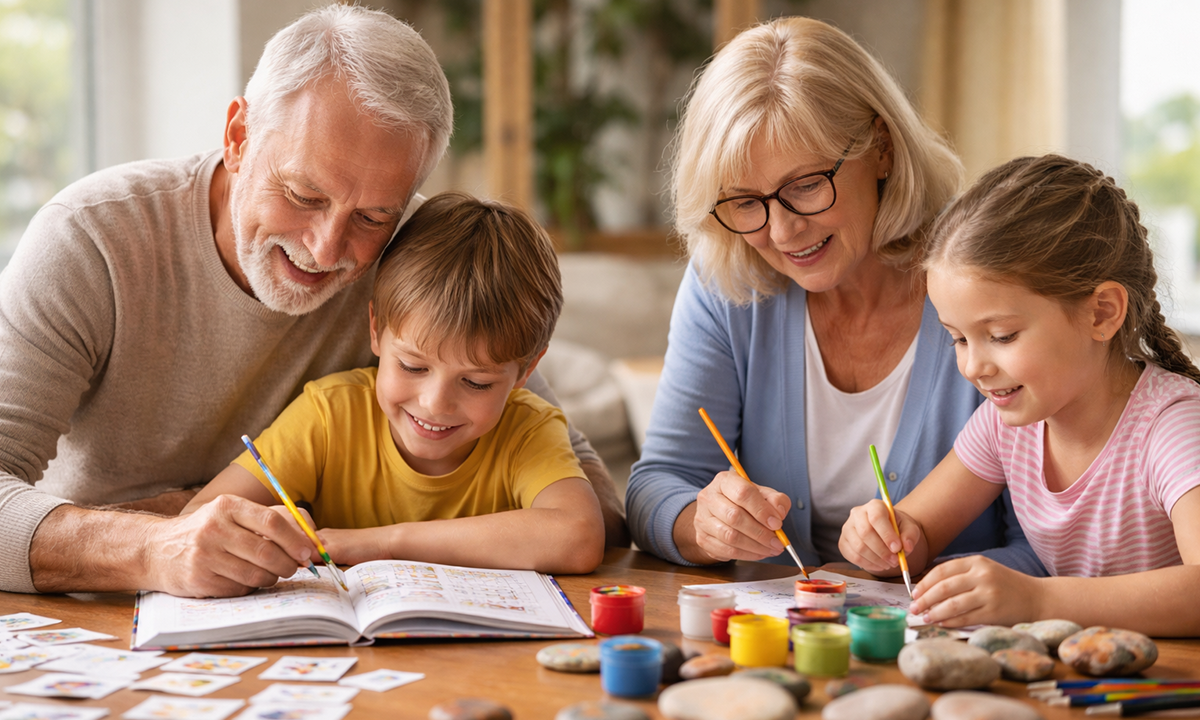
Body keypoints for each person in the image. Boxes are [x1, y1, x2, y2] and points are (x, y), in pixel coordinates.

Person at [0, 4, 623, 599]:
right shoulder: (92, 237)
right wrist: (155, 543)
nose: (328, 250)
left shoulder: (413, 259)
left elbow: (593, 505)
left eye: (375, 214)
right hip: (90, 610)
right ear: (239, 136)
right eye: (303, 193)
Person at [625, 16, 1043, 574]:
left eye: (804, 186)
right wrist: (701, 523)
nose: (780, 232)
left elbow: (1049, 540)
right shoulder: (725, 278)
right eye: (745, 201)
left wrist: (928, 577)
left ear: (882, 149)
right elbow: (657, 483)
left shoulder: (985, 279)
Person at [840, 155, 1200, 635]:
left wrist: (1037, 599)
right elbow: (917, 532)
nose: (973, 367)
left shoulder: (1171, 426)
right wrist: (885, 537)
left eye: (1003, 336)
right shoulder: (1005, 424)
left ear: (1102, 313)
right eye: (959, 338)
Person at [181, 192, 605, 574]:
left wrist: (384, 542)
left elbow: (579, 536)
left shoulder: (528, 430)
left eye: (476, 383)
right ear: (376, 330)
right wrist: (264, 534)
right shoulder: (330, 416)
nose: (435, 404)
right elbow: (200, 517)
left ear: (527, 371)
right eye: (413, 367)